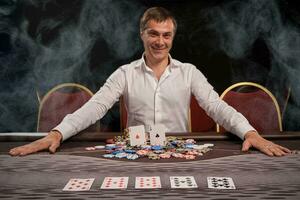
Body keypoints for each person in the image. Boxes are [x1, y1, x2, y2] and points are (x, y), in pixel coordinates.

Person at [9, 7, 290, 157]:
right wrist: (56, 133)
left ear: (172, 38)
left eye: (166, 35)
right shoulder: (124, 73)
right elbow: (94, 107)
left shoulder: (189, 72)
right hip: (134, 152)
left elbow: (217, 108)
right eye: (153, 34)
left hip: (180, 155)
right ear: (142, 35)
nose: (160, 41)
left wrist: (250, 133)